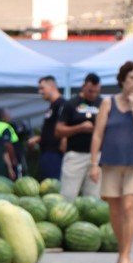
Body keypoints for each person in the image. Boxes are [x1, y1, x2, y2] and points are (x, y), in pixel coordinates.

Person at [89, 61, 133, 263]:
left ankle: (126, 255)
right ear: (122, 81)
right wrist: (93, 163)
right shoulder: (108, 103)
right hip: (111, 163)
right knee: (115, 211)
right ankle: (121, 249)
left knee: (129, 207)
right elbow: (98, 134)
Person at [56, 72, 102, 200]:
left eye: (96, 91)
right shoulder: (71, 104)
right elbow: (59, 130)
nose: (93, 94)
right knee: (68, 194)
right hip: (75, 154)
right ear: (83, 86)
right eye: (90, 91)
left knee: (93, 198)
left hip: (96, 156)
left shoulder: (102, 103)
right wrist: (79, 128)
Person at [28, 76, 65, 180]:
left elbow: (64, 128)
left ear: (52, 86)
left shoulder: (61, 104)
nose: (40, 92)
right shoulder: (52, 106)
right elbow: (51, 131)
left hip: (55, 154)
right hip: (47, 153)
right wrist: (39, 138)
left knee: (52, 187)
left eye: (42, 88)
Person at [0, 108, 19, 177]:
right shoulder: (5, 127)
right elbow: (7, 144)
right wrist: (13, 159)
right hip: (6, 161)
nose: (10, 117)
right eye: (8, 115)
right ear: (3, 117)